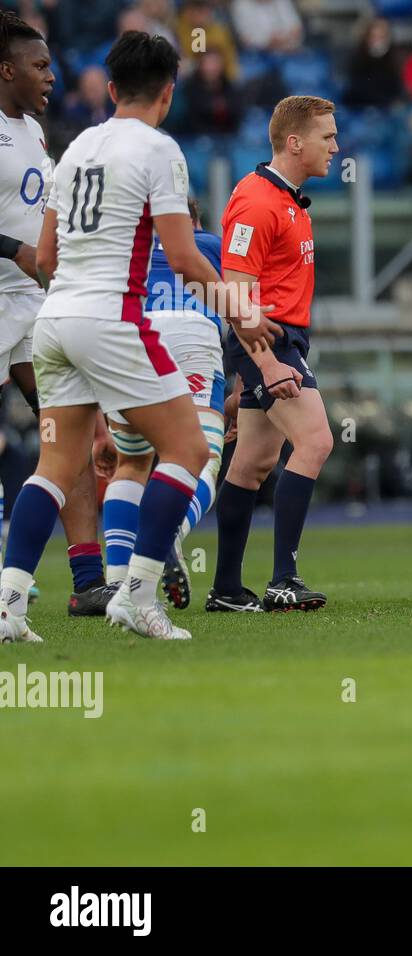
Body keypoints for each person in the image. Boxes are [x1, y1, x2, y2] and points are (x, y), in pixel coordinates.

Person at [0, 30, 275, 643]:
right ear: (169, 94)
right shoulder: (159, 151)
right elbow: (181, 256)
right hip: (111, 318)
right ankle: (138, 596)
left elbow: (44, 255)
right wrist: (239, 311)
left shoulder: (73, 149)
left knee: (55, 465)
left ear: (114, 87)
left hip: (53, 320)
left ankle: (9, 605)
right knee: (190, 450)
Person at [0, 11, 116, 617]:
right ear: (6, 68)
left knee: (65, 433)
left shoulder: (34, 131)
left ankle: (88, 580)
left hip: (31, 303)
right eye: (40, 66)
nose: (53, 76)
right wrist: (14, 250)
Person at [210, 95, 337, 612]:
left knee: (253, 463)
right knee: (316, 440)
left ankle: (225, 589)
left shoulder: (286, 198)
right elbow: (233, 291)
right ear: (294, 142)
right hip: (268, 340)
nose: (336, 147)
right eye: (327, 137)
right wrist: (262, 362)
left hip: (279, 341)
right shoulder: (258, 201)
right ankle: (284, 578)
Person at [101, 196, 227, 610]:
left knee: (132, 462)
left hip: (131, 337)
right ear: (190, 220)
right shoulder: (206, 243)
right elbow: (242, 302)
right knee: (204, 455)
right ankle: (170, 530)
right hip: (190, 332)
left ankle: (117, 583)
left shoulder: (121, 250)